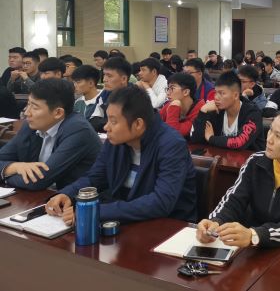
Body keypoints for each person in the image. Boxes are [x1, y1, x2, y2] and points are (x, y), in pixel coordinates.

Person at [46, 85, 197, 224]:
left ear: (138, 124)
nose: (106, 127)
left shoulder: (171, 145)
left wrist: (95, 212)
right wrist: (68, 194)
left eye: (113, 122)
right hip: (125, 219)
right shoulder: (116, 141)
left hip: (167, 225)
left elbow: (161, 202)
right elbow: (95, 177)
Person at [196, 107, 280, 249]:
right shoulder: (256, 162)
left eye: (278, 136)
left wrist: (255, 235)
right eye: (270, 130)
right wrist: (216, 221)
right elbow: (234, 200)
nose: (269, 139)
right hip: (253, 247)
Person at [0, 79, 101, 190]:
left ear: (58, 112)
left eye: (35, 107)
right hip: (40, 196)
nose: (27, 112)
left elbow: (37, 181)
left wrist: (4, 175)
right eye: (28, 104)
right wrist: (13, 167)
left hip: (73, 197)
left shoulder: (78, 131)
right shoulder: (30, 126)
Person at [190, 71, 265, 150]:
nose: (216, 97)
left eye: (222, 93)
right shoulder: (215, 110)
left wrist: (211, 138)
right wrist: (203, 111)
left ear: (236, 95)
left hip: (250, 156)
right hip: (221, 156)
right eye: (215, 93)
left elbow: (240, 142)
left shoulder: (253, 113)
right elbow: (195, 139)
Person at [90, 57, 132, 132]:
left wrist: (106, 122)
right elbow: (94, 121)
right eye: (104, 75)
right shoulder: (104, 94)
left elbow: (125, 124)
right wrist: (112, 122)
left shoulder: (135, 97)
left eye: (109, 76)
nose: (104, 79)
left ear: (124, 79)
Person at [159, 73, 204, 138]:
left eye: (172, 88)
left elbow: (172, 134)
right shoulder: (170, 104)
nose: (168, 93)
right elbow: (154, 124)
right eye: (168, 89)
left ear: (186, 92)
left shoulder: (200, 110)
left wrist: (174, 108)